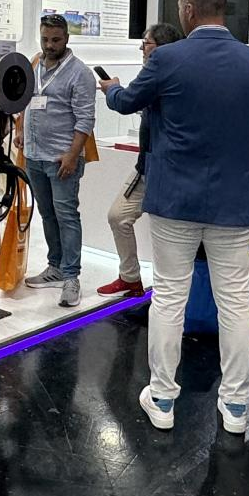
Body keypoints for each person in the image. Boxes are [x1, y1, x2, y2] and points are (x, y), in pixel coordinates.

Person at [100, 0, 249, 435]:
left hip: (174, 200)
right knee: (235, 301)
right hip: (236, 200)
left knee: (168, 297)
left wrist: (110, 89)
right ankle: (236, 406)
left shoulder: (167, 58)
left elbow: (127, 102)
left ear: (187, 10)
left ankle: (163, 397)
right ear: (224, 9)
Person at [15, 13, 97, 308]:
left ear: (67, 39)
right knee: (47, 214)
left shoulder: (80, 73)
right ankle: (55, 266)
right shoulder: (34, 64)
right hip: (35, 155)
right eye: (45, 39)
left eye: (56, 40)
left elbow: (86, 119)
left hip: (62, 158)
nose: (49, 45)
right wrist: (21, 129)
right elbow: (26, 101)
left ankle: (72, 276)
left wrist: (72, 155)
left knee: (66, 215)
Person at [97, 22, 182, 297]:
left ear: (160, 47)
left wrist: (113, 90)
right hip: (147, 166)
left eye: (146, 44)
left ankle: (170, 294)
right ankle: (130, 277)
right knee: (118, 216)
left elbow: (125, 102)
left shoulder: (164, 72)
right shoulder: (162, 72)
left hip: (168, 170)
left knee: (169, 235)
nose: (142, 49)